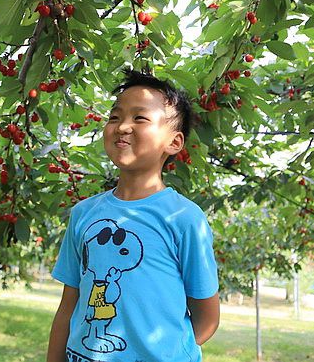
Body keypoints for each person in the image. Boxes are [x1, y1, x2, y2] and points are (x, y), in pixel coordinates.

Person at [47, 69, 220, 362]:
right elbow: (68, 306)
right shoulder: (83, 214)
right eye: (115, 117)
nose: (123, 126)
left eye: (140, 118)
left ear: (174, 143)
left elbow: (207, 317)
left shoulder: (184, 219)